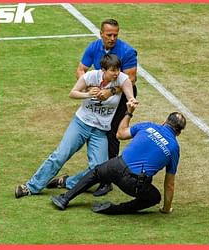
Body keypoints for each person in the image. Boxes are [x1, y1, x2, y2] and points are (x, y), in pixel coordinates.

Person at [15, 54, 137, 198]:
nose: (117, 73)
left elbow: (130, 96)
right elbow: (72, 93)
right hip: (81, 124)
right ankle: (31, 187)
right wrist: (88, 94)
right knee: (60, 156)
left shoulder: (122, 79)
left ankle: (67, 182)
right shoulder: (91, 76)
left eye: (118, 69)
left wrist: (131, 102)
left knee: (99, 171)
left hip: (100, 131)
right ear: (103, 70)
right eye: (113, 70)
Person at [50, 102, 186, 215]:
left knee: (96, 172)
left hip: (115, 166)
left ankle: (65, 198)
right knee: (154, 197)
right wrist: (166, 208)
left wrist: (128, 112)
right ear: (179, 132)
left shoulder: (149, 126)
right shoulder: (174, 148)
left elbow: (120, 134)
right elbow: (169, 184)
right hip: (133, 183)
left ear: (165, 121)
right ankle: (113, 209)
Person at [77, 18, 138, 196]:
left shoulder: (127, 51)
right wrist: (89, 87)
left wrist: (110, 91)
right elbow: (81, 69)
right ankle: (100, 169)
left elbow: (131, 79)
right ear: (101, 33)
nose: (112, 38)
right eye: (109, 34)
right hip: (102, 94)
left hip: (120, 97)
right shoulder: (94, 47)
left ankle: (107, 179)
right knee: (97, 130)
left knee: (112, 134)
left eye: (115, 35)